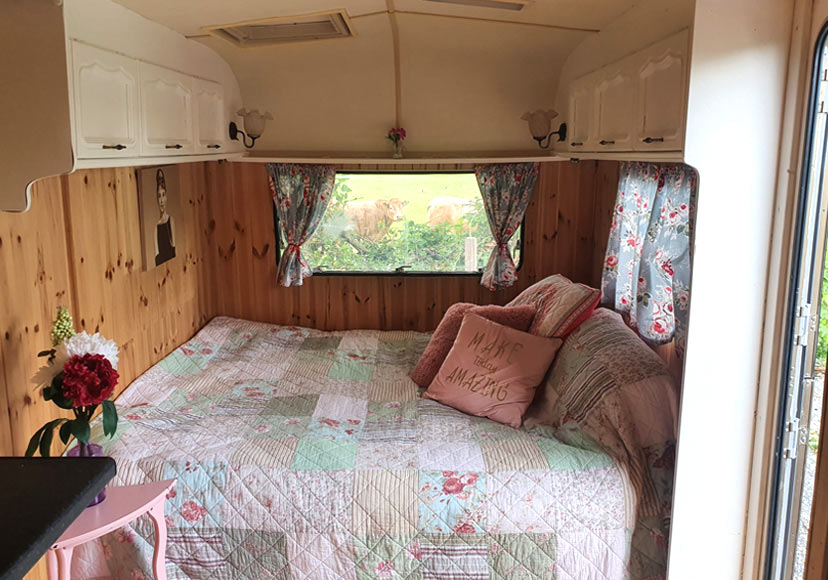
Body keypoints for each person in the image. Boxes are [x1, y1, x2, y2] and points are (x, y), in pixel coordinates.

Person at [154, 168, 176, 266]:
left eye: (163, 195)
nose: (161, 200)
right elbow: (157, 256)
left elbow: (173, 249)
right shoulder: (156, 227)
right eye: (159, 196)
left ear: (166, 197)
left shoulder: (171, 220)